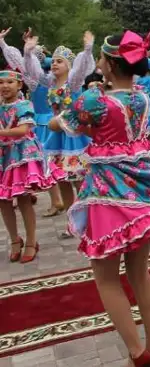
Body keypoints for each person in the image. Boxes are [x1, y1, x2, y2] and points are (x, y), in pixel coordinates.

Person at [49, 30, 150, 367]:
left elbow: (58, 125)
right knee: (139, 272)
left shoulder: (94, 100)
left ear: (108, 64)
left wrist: (65, 113)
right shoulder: (141, 98)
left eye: (102, 59)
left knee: (106, 277)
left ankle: (138, 354)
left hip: (106, 192)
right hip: (139, 189)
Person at [23, 31, 96, 238]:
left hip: (74, 136)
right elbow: (32, 72)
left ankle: (88, 220)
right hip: (57, 136)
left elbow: (82, 68)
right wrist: (28, 53)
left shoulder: (72, 84)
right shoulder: (49, 83)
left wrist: (88, 49)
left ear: (69, 66)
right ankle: (72, 222)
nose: (54, 64)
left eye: (59, 62)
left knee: (79, 180)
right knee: (62, 179)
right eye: (53, 61)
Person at [0, 30, 65, 217]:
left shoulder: (36, 81)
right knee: (49, 163)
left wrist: (4, 44)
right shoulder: (52, 80)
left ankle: (56, 200)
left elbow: (19, 63)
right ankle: (55, 199)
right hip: (51, 121)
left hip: (38, 122)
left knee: (47, 163)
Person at [0, 68, 62, 263]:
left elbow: (24, 129)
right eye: (1, 83)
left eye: (10, 82)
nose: (4, 86)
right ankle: (14, 240)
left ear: (19, 85)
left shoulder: (24, 104)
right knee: (3, 201)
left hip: (21, 156)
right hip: (3, 156)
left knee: (23, 198)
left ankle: (32, 241)